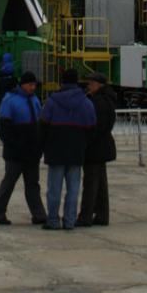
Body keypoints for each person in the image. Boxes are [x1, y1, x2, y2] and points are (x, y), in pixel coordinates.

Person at [40, 68, 96, 230]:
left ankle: (52, 220)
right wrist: (83, 144)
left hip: (55, 150)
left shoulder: (52, 101)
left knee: (54, 189)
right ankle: (70, 220)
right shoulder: (86, 103)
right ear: (77, 81)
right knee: (73, 188)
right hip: (76, 151)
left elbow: (42, 126)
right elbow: (92, 129)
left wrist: (44, 146)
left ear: (62, 82)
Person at [0, 71, 46, 226]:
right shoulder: (10, 100)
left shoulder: (35, 100)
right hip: (15, 152)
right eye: (30, 85)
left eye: (34, 85)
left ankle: (39, 214)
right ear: (22, 84)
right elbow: (3, 128)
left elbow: (39, 123)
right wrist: (14, 144)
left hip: (32, 151)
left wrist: (38, 144)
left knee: (33, 184)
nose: (33, 87)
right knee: (9, 183)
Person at [78, 73, 116, 227]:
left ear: (99, 85)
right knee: (100, 184)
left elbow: (96, 126)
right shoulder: (107, 100)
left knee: (91, 183)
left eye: (91, 83)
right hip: (103, 146)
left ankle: (85, 216)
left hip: (95, 148)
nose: (89, 86)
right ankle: (102, 215)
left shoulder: (97, 102)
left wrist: (85, 141)